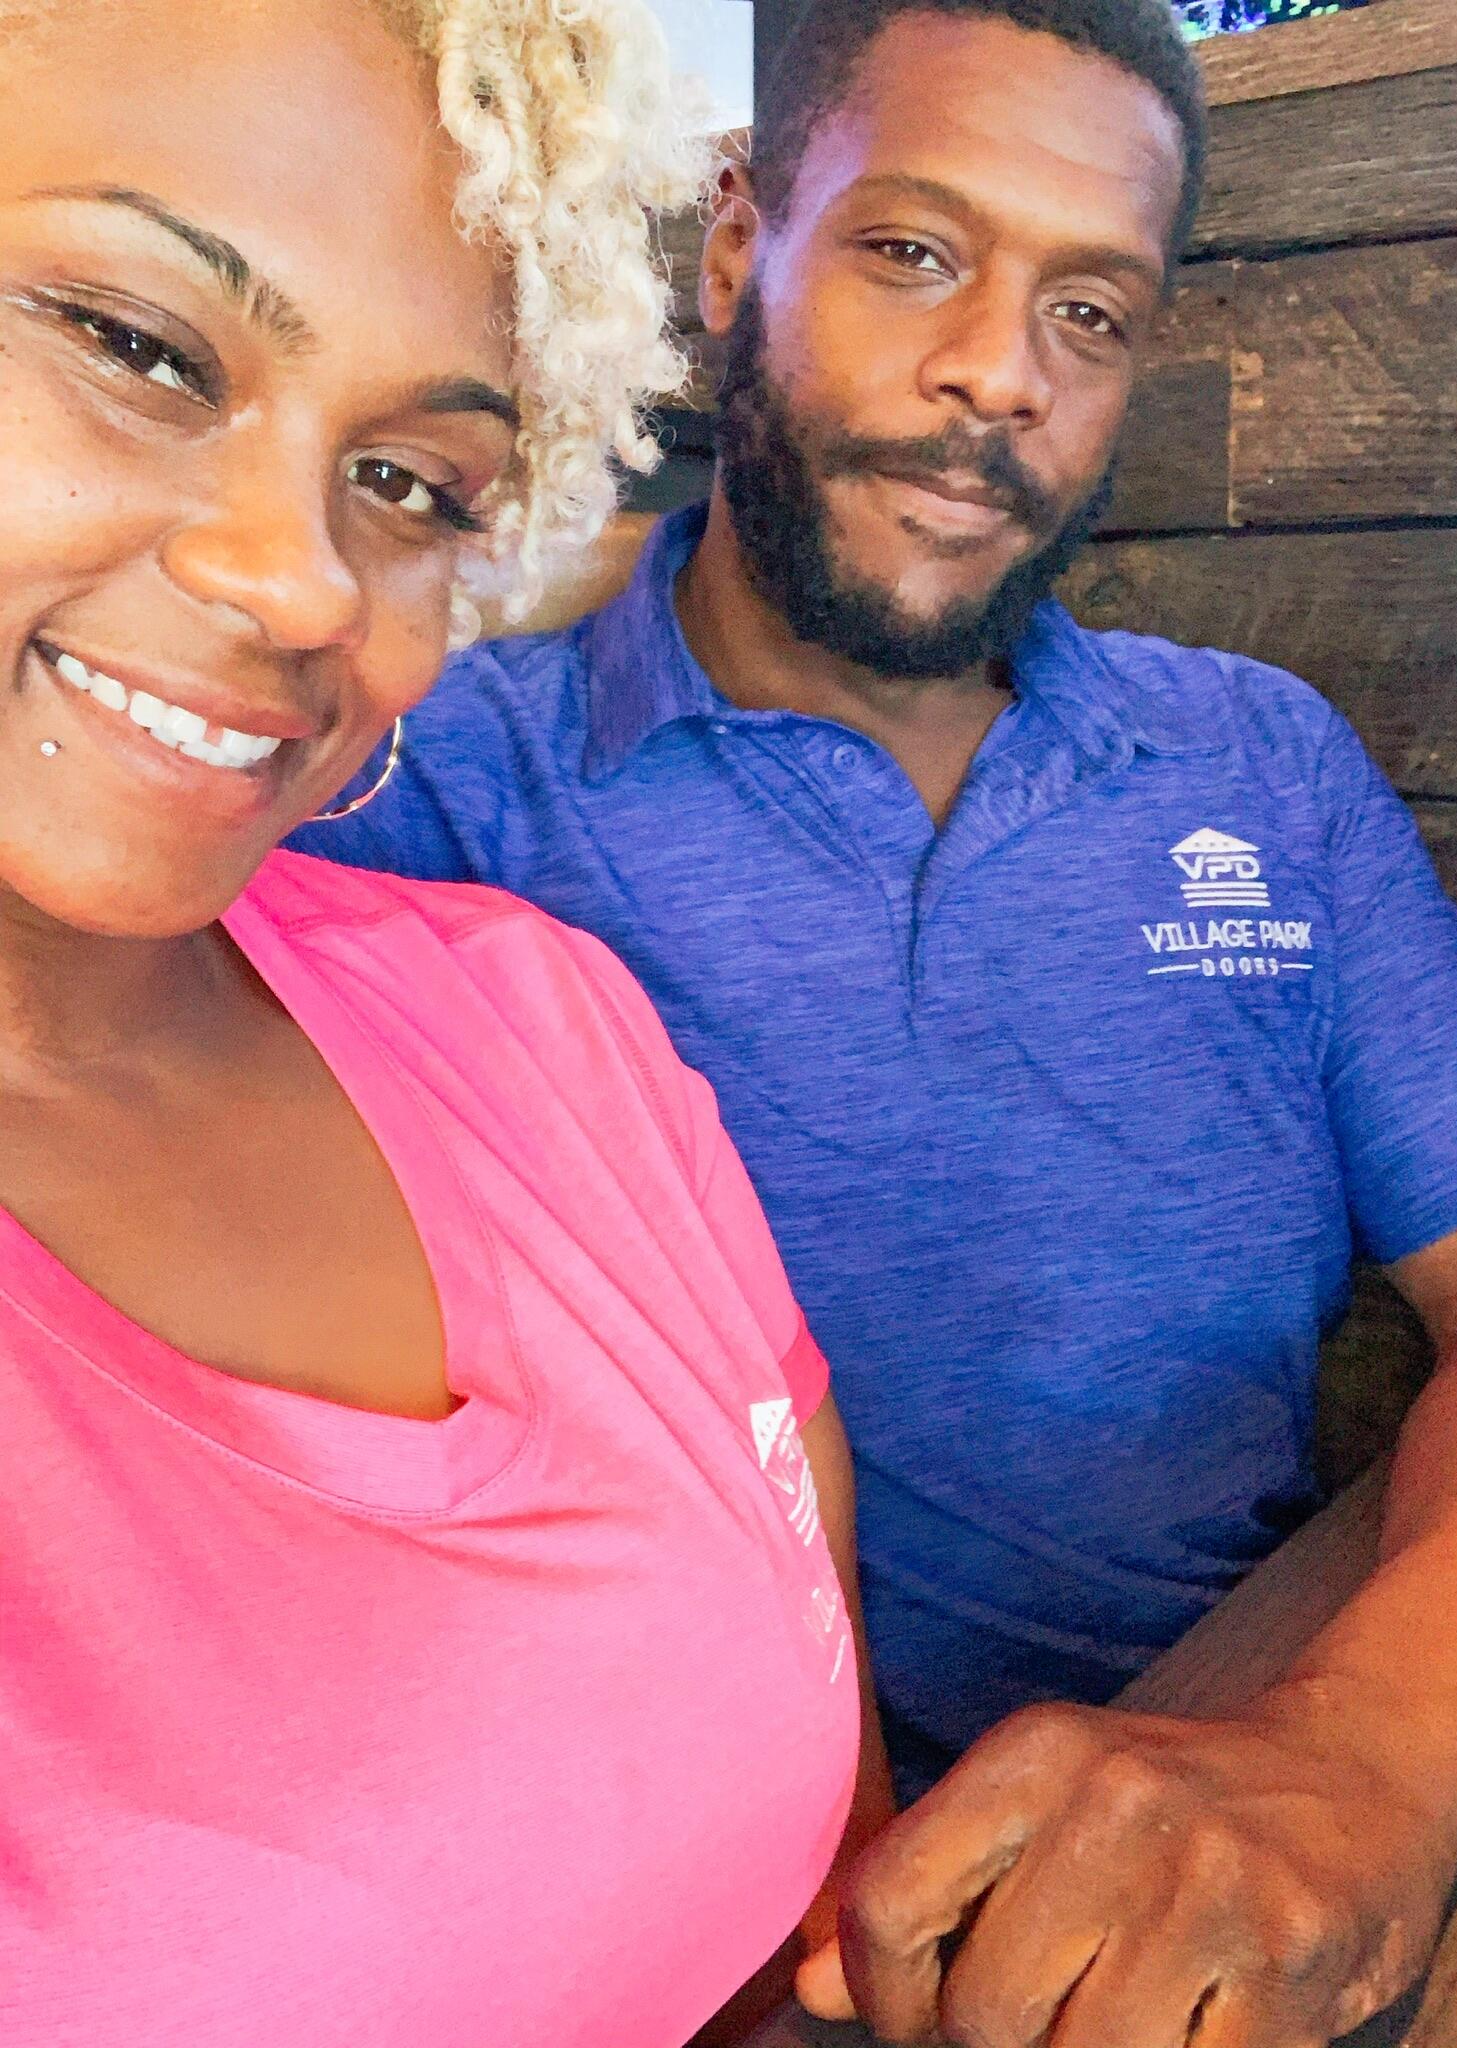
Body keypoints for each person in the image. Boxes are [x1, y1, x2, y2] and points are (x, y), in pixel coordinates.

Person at [297, 0, 1457, 2043]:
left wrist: (1369, 1745)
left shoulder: (1258, 769)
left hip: (1289, 1792)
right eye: (913, 250)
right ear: (736, 249)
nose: (999, 374)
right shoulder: (439, 807)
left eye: (1090, 312)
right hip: (731, 1934)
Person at [0, 3, 898, 2043]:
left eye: (409, 481)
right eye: (139, 346)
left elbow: (813, 1800)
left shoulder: (542, 1026)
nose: (305, 583)